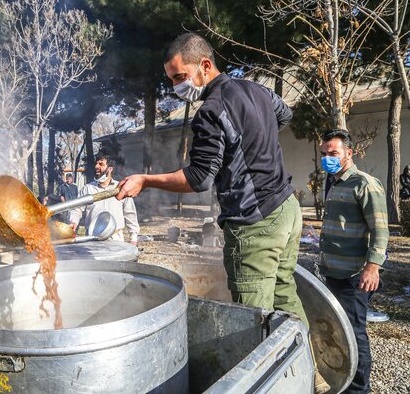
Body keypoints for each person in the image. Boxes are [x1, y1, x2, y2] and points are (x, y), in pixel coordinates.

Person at [116, 33, 330, 392]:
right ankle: (310, 375)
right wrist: (252, 139)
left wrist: (146, 180)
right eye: (171, 80)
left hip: (256, 224)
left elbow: (199, 178)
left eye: (179, 77)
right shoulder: (258, 91)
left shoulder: (211, 111)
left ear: (204, 65)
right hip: (288, 211)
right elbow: (285, 113)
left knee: (253, 323)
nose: (175, 87)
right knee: (284, 294)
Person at [319, 129, 388, 394]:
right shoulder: (334, 183)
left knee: (355, 333)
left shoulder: (364, 183)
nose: (327, 158)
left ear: (349, 153)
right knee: (339, 330)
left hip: (354, 275)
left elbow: (380, 230)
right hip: (333, 273)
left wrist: (372, 268)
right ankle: (342, 382)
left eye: (333, 153)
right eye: (324, 153)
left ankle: (359, 389)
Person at [69, 156, 139, 244]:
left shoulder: (121, 188)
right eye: (96, 164)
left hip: (116, 240)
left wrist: (133, 238)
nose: (96, 167)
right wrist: (73, 221)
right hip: (92, 240)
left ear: (110, 169)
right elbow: (77, 209)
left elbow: (130, 214)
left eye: (101, 164)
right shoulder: (87, 189)